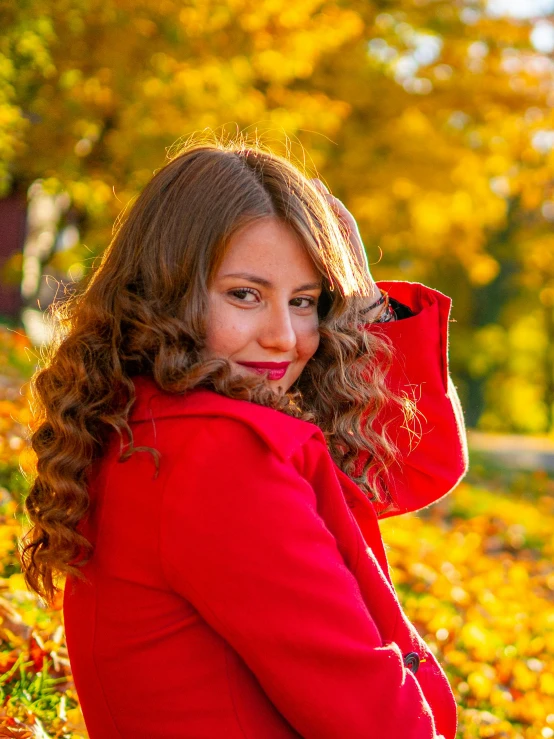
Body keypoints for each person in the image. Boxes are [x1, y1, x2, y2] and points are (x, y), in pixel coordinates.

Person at [21, 138, 468, 739]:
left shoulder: (141, 421)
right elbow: (381, 725)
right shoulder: (221, 458)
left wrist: (363, 300)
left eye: (305, 301)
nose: (285, 336)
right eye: (244, 294)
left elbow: (410, 467)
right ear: (165, 290)